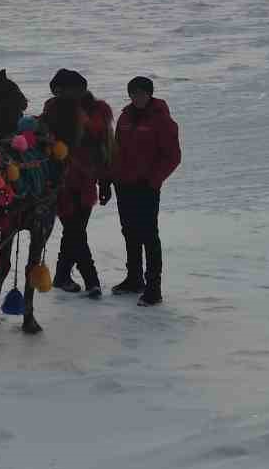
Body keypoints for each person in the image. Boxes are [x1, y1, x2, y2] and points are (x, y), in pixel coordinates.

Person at [108, 76, 181, 305]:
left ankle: (153, 288)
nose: (136, 97)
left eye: (140, 93)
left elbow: (172, 156)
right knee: (129, 232)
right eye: (133, 93)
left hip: (146, 187)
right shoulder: (125, 117)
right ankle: (134, 278)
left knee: (149, 235)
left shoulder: (162, 120)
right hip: (124, 185)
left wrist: (153, 180)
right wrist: (110, 178)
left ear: (149, 94)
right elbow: (115, 149)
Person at [43, 69, 114, 298]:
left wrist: (104, 183)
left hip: (86, 182)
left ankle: (62, 276)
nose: (59, 94)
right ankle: (91, 280)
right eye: (57, 90)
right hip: (60, 181)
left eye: (63, 89)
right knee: (75, 231)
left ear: (79, 89)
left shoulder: (98, 112)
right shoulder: (52, 110)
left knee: (75, 231)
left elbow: (106, 150)